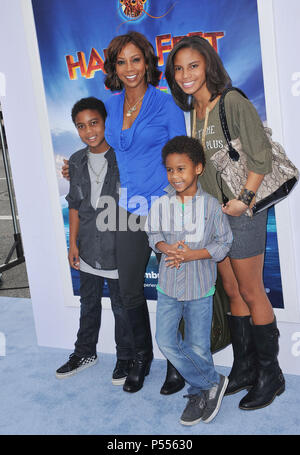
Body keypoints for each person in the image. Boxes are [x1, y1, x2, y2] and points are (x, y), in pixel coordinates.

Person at [165, 35, 285, 410]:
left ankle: (271, 375)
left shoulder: (231, 101)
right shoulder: (194, 113)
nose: (186, 74)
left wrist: (245, 200)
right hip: (216, 216)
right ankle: (245, 366)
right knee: (232, 291)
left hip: (243, 213)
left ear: (209, 66)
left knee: (252, 292)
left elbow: (261, 157)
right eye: (179, 68)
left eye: (193, 66)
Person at [62, 32, 187, 394]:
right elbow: (98, 145)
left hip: (164, 209)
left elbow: (183, 155)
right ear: (114, 67)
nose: (130, 68)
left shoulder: (166, 105)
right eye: (122, 61)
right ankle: (141, 357)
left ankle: (176, 364)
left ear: (148, 62)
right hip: (126, 212)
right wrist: (75, 166)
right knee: (129, 292)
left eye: (136, 60)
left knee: (173, 292)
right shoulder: (110, 105)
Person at [145, 135, 232, 425]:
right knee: (166, 340)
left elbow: (224, 243)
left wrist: (194, 255)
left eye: (181, 169)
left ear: (198, 168)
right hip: (168, 285)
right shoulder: (160, 203)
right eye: (170, 169)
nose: (175, 175)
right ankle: (212, 381)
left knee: (197, 346)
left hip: (200, 287)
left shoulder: (211, 206)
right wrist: (164, 247)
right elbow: (153, 234)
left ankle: (199, 391)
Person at [56, 97, 134, 385]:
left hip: (117, 245)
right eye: (81, 126)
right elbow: (74, 206)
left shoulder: (123, 157)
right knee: (88, 303)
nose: (88, 131)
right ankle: (85, 352)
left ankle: (125, 356)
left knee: (121, 306)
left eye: (94, 123)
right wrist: (72, 244)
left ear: (105, 122)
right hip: (87, 245)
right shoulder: (75, 161)